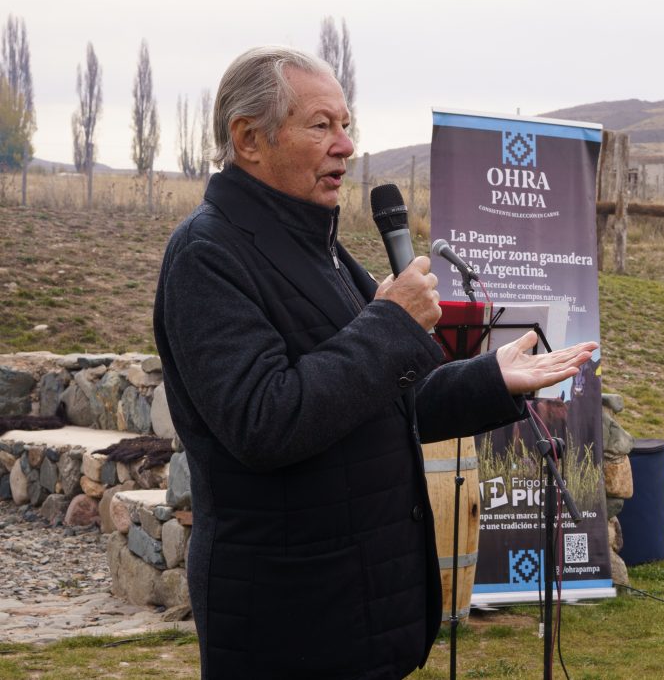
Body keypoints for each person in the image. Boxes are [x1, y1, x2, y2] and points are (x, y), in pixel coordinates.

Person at [153, 45, 596, 679]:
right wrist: (390, 324)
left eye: (347, 123)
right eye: (321, 125)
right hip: (290, 624)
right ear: (249, 139)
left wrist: (490, 380)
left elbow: (381, 401)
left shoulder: (320, 249)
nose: (346, 146)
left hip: (361, 614)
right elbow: (264, 420)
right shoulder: (207, 254)